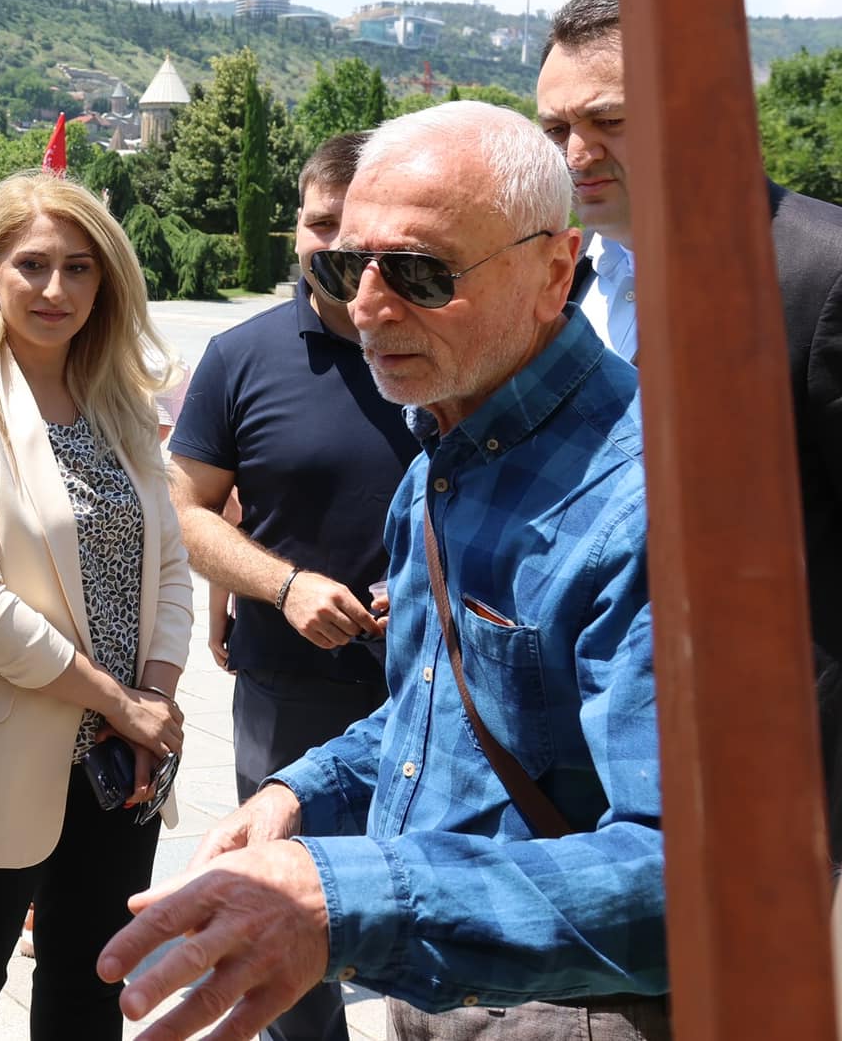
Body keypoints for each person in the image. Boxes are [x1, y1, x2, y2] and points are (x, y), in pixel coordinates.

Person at [100, 103, 669, 1040]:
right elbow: (431, 718)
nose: (366, 306)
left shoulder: (651, 503)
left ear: (555, 269)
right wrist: (299, 792)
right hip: (443, 997)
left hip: (579, 1012)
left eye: (417, 271)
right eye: (340, 265)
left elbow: (686, 876)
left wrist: (343, 895)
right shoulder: (441, 461)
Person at [538, 0, 842, 854]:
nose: (576, 152)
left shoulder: (821, 277)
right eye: (558, 129)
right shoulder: (569, 282)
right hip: (596, 778)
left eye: (610, 121)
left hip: (786, 788)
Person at [0, 172, 192, 1040]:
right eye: (33, 264)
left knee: (91, 992)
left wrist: (157, 705)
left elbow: (170, 563)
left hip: (120, 761)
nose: (56, 289)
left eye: (79, 267)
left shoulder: (119, 402)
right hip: (1, 754)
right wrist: (120, 702)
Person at [164, 132, 418, 1041]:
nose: (340, 247)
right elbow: (185, 510)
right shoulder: (239, 356)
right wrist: (284, 585)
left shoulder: (446, 337)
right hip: (291, 685)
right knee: (284, 922)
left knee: (426, 919)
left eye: (362, 228)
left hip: (442, 684)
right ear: (295, 227)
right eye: (322, 224)